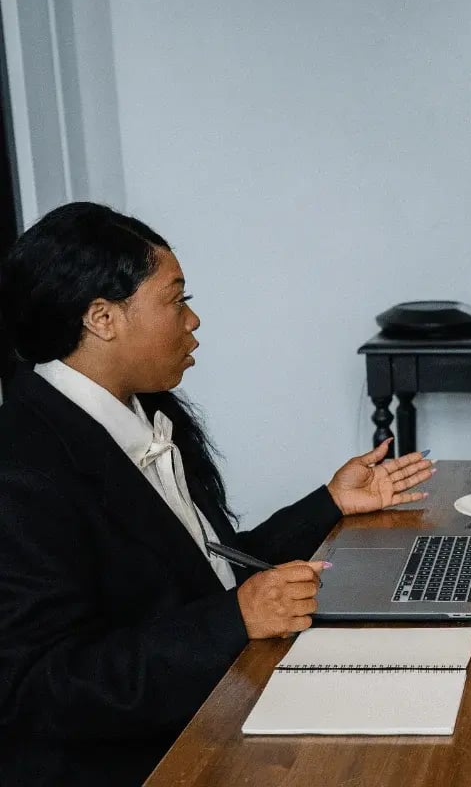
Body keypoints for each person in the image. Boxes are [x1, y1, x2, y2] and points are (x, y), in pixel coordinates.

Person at [0, 202, 435, 786]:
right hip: (147, 759)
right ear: (103, 318)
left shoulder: (140, 411)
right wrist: (234, 620)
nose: (193, 320)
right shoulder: (23, 464)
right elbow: (42, 686)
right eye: (176, 299)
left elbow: (209, 566)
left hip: (213, 699)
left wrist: (329, 503)